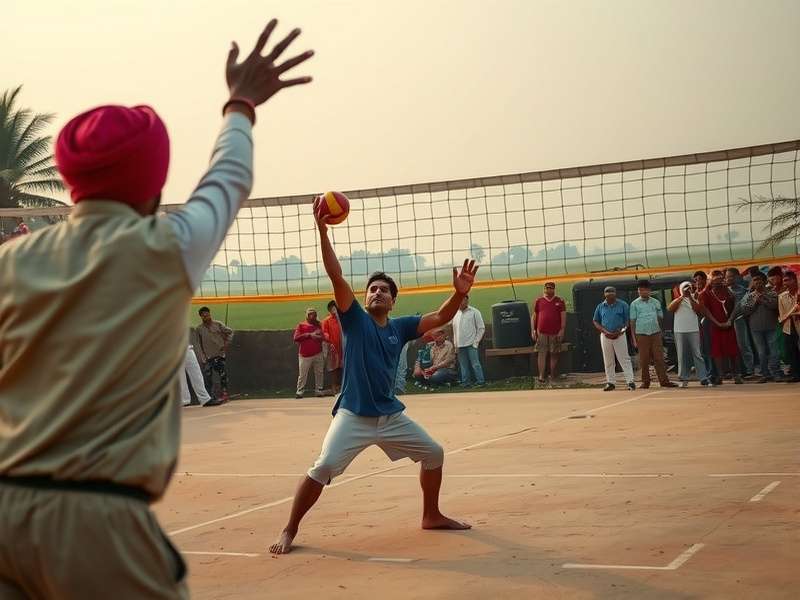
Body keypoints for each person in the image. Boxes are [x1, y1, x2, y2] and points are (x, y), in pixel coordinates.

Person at [0, 20, 312, 598]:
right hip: (97, 522)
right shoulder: (165, 246)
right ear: (153, 185)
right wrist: (240, 105)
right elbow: (228, 178)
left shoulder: (12, 262)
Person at [268, 199, 476, 555]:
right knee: (324, 466)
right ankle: (289, 530)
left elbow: (440, 317)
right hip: (353, 415)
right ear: (364, 299)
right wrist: (321, 231)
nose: (377, 292)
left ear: (393, 301)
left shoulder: (401, 327)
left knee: (434, 453)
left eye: (384, 290)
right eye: (373, 289)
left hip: (390, 415)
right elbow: (336, 274)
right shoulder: (354, 319)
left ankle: (431, 515)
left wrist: (459, 293)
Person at [734, 272, 782, 382]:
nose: (758, 282)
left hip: (771, 326)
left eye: (760, 280)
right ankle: (765, 374)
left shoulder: (771, 293)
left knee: (774, 351)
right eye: (755, 281)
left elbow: (774, 305)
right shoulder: (749, 296)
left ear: (764, 282)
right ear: (753, 284)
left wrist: (764, 300)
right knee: (761, 352)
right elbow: (745, 311)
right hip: (756, 328)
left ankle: (776, 373)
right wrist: (755, 302)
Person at [629, 280, 677, 388]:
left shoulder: (655, 302)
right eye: (640, 290)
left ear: (649, 291)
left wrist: (660, 331)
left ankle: (664, 381)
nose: (642, 292)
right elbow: (632, 321)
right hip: (641, 334)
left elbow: (660, 317)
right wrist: (633, 337)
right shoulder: (634, 304)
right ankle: (645, 382)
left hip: (655, 333)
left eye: (644, 290)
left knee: (659, 358)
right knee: (644, 359)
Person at [699, 271, 742, 385]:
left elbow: (736, 307)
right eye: (716, 280)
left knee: (733, 350)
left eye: (720, 279)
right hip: (714, 326)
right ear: (711, 281)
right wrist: (717, 323)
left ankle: (736, 375)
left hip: (728, 325)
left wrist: (729, 321)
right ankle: (720, 375)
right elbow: (705, 310)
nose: (718, 282)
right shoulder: (706, 294)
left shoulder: (729, 292)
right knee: (717, 352)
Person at [592, 286, 636, 391]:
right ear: (604, 294)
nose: (609, 294)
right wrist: (604, 331)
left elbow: (627, 321)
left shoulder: (623, 305)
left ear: (615, 293)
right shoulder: (600, 306)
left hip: (619, 335)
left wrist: (621, 331)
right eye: (607, 292)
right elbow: (595, 321)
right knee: (608, 360)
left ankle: (630, 382)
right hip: (605, 335)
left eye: (611, 292)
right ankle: (610, 382)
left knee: (624, 358)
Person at [667, 281, 709, 387]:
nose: (687, 289)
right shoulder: (677, 300)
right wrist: (682, 297)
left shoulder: (695, 298)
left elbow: (698, 311)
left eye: (689, 287)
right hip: (679, 330)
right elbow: (670, 308)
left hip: (693, 330)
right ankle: (683, 378)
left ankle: (703, 377)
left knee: (697, 354)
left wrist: (690, 297)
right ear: (681, 289)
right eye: (685, 287)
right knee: (682, 355)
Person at [531, 282, 567, 384]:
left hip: (555, 332)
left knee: (554, 353)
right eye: (546, 288)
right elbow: (534, 316)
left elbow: (563, 316)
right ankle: (541, 375)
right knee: (541, 353)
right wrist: (533, 330)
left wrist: (562, 329)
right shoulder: (539, 301)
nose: (548, 290)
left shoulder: (560, 301)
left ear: (554, 289)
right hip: (541, 332)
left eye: (550, 288)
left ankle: (552, 374)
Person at [196, 306, 234, 402]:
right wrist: (202, 356)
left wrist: (226, 344)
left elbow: (230, 332)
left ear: (210, 314)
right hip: (208, 357)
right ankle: (210, 396)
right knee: (208, 377)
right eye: (204, 316)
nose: (206, 317)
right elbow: (199, 344)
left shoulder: (218, 324)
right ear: (201, 317)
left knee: (223, 374)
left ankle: (224, 394)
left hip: (220, 354)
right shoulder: (199, 329)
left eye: (207, 315)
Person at [725, 267, 755, 378]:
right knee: (730, 346)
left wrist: (730, 319)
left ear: (737, 277)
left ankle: (749, 370)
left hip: (738, 321)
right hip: (725, 323)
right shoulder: (723, 290)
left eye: (730, 276)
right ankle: (734, 370)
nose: (728, 279)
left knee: (743, 345)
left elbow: (739, 308)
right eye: (726, 276)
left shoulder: (742, 290)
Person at [451, 294, 486, 387]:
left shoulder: (474, 312)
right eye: (460, 300)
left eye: (463, 300)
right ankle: (466, 382)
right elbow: (454, 330)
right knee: (463, 365)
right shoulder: (455, 314)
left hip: (471, 343)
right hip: (460, 344)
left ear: (467, 301)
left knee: (475, 364)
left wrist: (476, 342)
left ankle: (480, 381)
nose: (461, 302)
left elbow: (481, 328)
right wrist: (455, 344)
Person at [294, 308, 325, 398]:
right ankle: (300, 391)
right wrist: (310, 335)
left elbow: (323, 336)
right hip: (305, 355)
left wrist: (318, 336)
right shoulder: (301, 325)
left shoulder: (319, 325)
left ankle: (319, 390)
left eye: (314, 314)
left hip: (318, 353)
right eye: (310, 314)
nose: (312, 316)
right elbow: (296, 338)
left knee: (319, 372)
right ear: (307, 316)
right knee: (303, 374)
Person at [777, 270, 800, 382]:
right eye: (784, 281)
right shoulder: (781, 296)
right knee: (791, 352)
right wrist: (792, 314)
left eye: (787, 280)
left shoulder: (799, 294)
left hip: (798, 324)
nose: (785, 283)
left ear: (794, 280)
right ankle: (796, 375)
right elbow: (782, 316)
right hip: (788, 327)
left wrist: (793, 314)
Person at [693, 270, 715, 379]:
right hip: (697, 324)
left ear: (704, 280)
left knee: (709, 348)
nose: (697, 282)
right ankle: (705, 372)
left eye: (699, 279)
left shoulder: (708, 292)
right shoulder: (693, 294)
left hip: (708, 323)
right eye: (695, 280)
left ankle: (712, 372)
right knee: (701, 349)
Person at [322, 300, 343, 394]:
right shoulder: (326, 321)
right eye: (333, 308)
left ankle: (343, 386)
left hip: (343, 347)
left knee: (344, 367)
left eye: (336, 308)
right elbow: (325, 333)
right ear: (329, 310)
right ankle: (334, 387)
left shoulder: (342, 319)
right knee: (334, 368)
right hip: (333, 348)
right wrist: (329, 342)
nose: (335, 310)